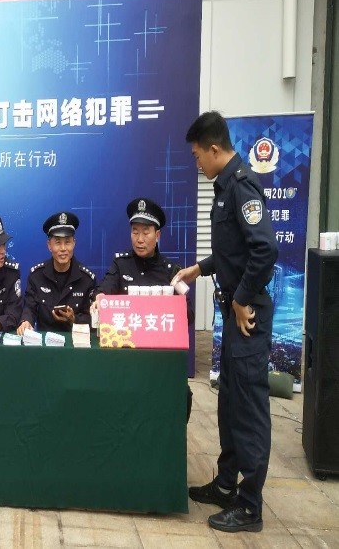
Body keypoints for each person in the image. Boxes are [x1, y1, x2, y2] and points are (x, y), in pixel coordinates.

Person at [173, 111, 278, 533]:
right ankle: (225, 484)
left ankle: (250, 507)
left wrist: (241, 298)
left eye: (198, 155)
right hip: (234, 312)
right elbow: (232, 252)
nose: (197, 163)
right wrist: (199, 269)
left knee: (249, 408)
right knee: (230, 402)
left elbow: (264, 250)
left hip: (247, 315)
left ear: (214, 149)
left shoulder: (242, 186)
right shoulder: (224, 187)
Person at [92, 198, 194, 423]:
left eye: (146, 232)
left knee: (182, 394)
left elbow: (188, 315)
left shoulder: (171, 271)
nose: (139, 239)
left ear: (157, 235)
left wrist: (175, 304)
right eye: (135, 232)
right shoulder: (121, 264)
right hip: (125, 358)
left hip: (158, 359)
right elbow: (104, 289)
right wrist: (100, 298)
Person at [17, 211, 96, 334]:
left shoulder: (87, 279)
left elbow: (94, 320)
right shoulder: (36, 276)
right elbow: (30, 307)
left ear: (74, 243)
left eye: (67, 242)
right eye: (58, 242)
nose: (63, 248)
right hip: (45, 343)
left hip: (77, 342)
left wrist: (74, 319)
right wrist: (26, 321)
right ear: (49, 245)